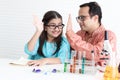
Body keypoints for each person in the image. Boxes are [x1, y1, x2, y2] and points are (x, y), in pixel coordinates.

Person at [66, 2, 116, 66]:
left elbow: (97, 54)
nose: (79, 21)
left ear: (95, 18)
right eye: (78, 18)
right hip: (78, 74)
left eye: (82, 18)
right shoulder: (78, 34)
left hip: (100, 75)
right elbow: (68, 55)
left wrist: (70, 34)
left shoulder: (109, 36)